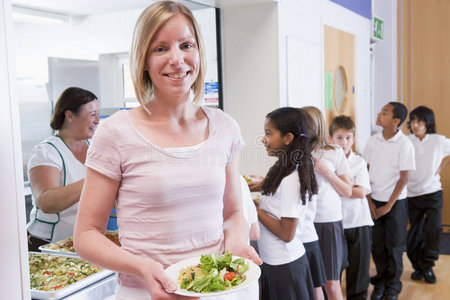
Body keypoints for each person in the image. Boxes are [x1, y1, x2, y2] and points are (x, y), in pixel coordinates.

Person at [73, 2, 261, 300]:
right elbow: (85, 235)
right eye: (160, 49)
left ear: (199, 52)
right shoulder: (115, 132)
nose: (177, 59)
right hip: (144, 292)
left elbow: (234, 211)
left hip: (216, 289)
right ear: (144, 60)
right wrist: (142, 267)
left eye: (186, 45)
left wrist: (236, 242)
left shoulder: (225, 127)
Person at [27, 87, 99, 251]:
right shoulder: (47, 151)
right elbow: (46, 202)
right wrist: (95, 178)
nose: (97, 120)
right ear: (70, 116)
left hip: (81, 240)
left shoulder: (93, 147)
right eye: (92, 114)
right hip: (47, 244)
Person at [256, 107, 317, 300]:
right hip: (274, 262)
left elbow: (287, 233)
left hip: (285, 265)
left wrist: (255, 210)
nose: (264, 139)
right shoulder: (284, 167)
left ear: (288, 138)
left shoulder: (291, 178)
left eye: (268, 133)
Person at [362, 102, 415, 300]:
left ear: (395, 121)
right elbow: (363, 171)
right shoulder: (373, 141)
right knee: (377, 246)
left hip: (395, 204)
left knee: (394, 247)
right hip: (374, 201)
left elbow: (404, 179)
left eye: (384, 113)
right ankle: (381, 283)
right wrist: (369, 201)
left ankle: (393, 286)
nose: (379, 114)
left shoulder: (404, 144)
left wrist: (388, 206)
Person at [302, 106, 352, 300]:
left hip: (328, 222)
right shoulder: (296, 152)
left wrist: (326, 172)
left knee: (331, 283)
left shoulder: (334, 152)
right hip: (304, 222)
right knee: (312, 282)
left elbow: (347, 190)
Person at [328, 115, 373, 300]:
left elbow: (361, 192)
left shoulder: (359, 162)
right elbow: (347, 190)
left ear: (353, 139)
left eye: (348, 138)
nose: (344, 142)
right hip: (335, 223)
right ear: (330, 139)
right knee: (334, 271)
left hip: (359, 221)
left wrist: (337, 185)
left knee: (359, 270)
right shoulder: (326, 162)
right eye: (339, 138)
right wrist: (348, 186)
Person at [406, 106, 450, 284]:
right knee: (414, 235)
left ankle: (428, 265)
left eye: (420, 121)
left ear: (428, 123)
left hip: (432, 193)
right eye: (413, 121)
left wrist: (443, 165)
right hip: (411, 195)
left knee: (432, 229)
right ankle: (418, 267)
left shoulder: (438, 141)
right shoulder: (406, 140)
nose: (415, 125)